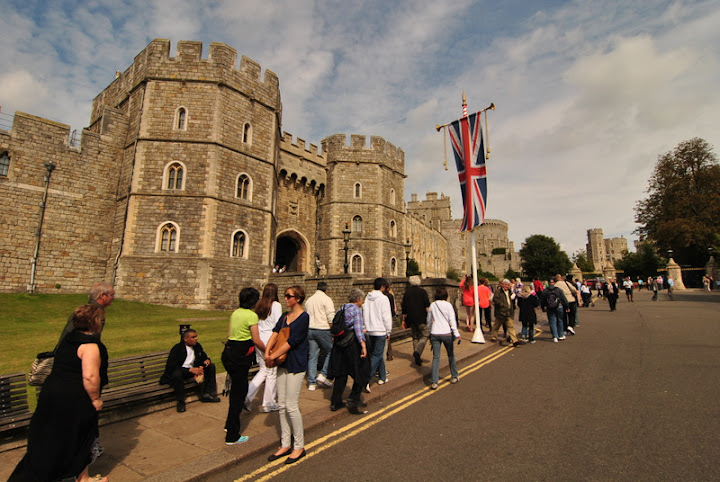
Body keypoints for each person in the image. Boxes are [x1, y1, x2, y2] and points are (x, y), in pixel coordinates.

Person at [10, 304, 109, 482]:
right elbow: (90, 377)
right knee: (75, 438)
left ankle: (81, 477)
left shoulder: (69, 339)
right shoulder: (90, 346)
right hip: (74, 399)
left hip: (52, 394)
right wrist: (95, 399)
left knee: (49, 439)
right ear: (95, 322)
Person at [265, 285, 310, 464]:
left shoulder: (304, 318)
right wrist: (267, 352)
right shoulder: (284, 316)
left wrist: (272, 356)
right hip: (281, 363)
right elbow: (275, 333)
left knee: (291, 405)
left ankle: (299, 446)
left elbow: (292, 341)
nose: (285, 299)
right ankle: (285, 444)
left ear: (297, 299)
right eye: (285, 296)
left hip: (296, 364)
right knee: (282, 405)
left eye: (288, 296)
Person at [223, 287, 262, 445]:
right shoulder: (252, 316)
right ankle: (232, 436)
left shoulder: (235, 313)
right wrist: (268, 351)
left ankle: (228, 425)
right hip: (240, 356)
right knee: (238, 395)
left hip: (229, 353)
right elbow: (256, 339)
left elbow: (229, 334)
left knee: (236, 392)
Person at [160, 329, 221, 413]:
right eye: (193, 337)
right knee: (177, 374)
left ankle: (207, 394)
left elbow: (203, 357)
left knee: (211, 366)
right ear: (185, 339)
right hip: (181, 371)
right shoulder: (177, 349)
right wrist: (190, 370)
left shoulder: (197, 346)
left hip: (193, 370)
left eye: (196, 337)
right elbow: (172, 367)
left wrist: (206, 360)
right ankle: (180, 402)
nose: (196, 339)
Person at [328, 288, 369, 413]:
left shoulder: (342, 307)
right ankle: (354, 398)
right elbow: (357, 329)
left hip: (339, 344)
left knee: (341, 373)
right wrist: (363, 345)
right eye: (362, 300)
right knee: (361, 370)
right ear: (358, 299)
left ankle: (335, 402)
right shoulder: (356, 310)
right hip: (351, 345)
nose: (362, 302)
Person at [246, 283, 282, 413]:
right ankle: (269, 403)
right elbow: (278, 324)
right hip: (270, 339)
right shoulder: (276, 305)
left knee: (263, 370)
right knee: (271, 372)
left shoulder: (260, 304)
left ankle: (247, 396)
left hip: (259, 338)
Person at [426, 286, 461, 389]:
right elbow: (452, 320)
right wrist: (456, 333)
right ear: (446, 296)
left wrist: (429, 331)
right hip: (446, 333)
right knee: (451, 355)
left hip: (435, 333)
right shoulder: (448, 305)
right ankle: (454, 376)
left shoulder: (433, 305)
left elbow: (429, 320)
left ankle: (434, 382)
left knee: (436, 357)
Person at [304, 281, 335, 391]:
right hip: (323, 329)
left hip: (310, 329)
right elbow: (331, 317)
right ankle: (323, 374)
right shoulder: (326, 299)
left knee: (313, 356)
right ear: (325, 290)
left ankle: (312, 383)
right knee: (331, 351)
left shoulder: (309, 300)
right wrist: (333, 331)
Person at [363, 278, 392, 387]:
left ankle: (382, 377)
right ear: (382, 287)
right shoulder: (383, 299)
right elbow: (386, 317)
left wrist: (366, 326)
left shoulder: (368, 298)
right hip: (380, 331)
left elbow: (364, 313)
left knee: (377, 354)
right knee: (377, 355)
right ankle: (366, 378)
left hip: (370, 331)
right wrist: (388, 331)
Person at [401, 275, 430, 366]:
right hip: (422, 318)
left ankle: (417, 357)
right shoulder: (423, 292)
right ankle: (418, 351)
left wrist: (403, 320)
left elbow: (404, 309)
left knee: (415, 337)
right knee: (425, 335)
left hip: (411, 319)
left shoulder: (406, 293)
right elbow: (427, 307)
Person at [491, 279, 522, 347]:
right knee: (497, 325)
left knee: (511, 326)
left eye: (508, 285)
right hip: (501, 312)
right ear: (502, 284)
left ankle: (514, 340)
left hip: (508, 312)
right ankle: (494, 336)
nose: (507, 286)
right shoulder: (498, 291)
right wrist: (502, 304)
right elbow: (495, 299)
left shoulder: (509, 292)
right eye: (506, 285)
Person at [541, 278, 569, 343]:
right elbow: (563, 298)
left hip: (549, 307)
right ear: (554, 283)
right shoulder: (558, 290)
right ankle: (561, 335)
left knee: (552, 321)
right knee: (560, 320)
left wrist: (543, 308)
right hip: (559, 306)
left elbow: (542, 301)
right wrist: (567, 306)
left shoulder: (545, 291)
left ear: (548, 283)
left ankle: (555, 336)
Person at [383, 282, 397, 361]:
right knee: (387, 337)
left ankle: (389, 354)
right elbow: (391, 309)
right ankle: (389, 355)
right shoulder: (389, 296)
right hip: (387, 318)